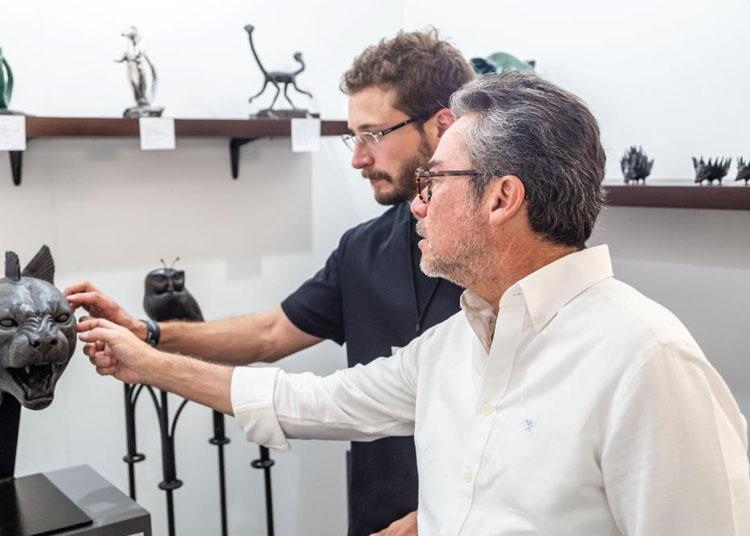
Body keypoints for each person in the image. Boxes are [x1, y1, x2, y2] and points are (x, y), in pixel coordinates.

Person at [79, 72, 750, 535]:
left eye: (435, 180)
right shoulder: (455, 343)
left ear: (501, 198)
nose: (418, 202)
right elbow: (306, 402)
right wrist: (145, 359)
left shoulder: (646, 359)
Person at [66, 29, 476, 536]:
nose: (357, 158)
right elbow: (271, 335)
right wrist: (149, 334)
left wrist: (434, 516)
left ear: (443, 126)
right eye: (353, 137)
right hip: (376, 515)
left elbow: (529, 425)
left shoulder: (503, 259)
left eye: (373, 134)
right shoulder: (362, 249)